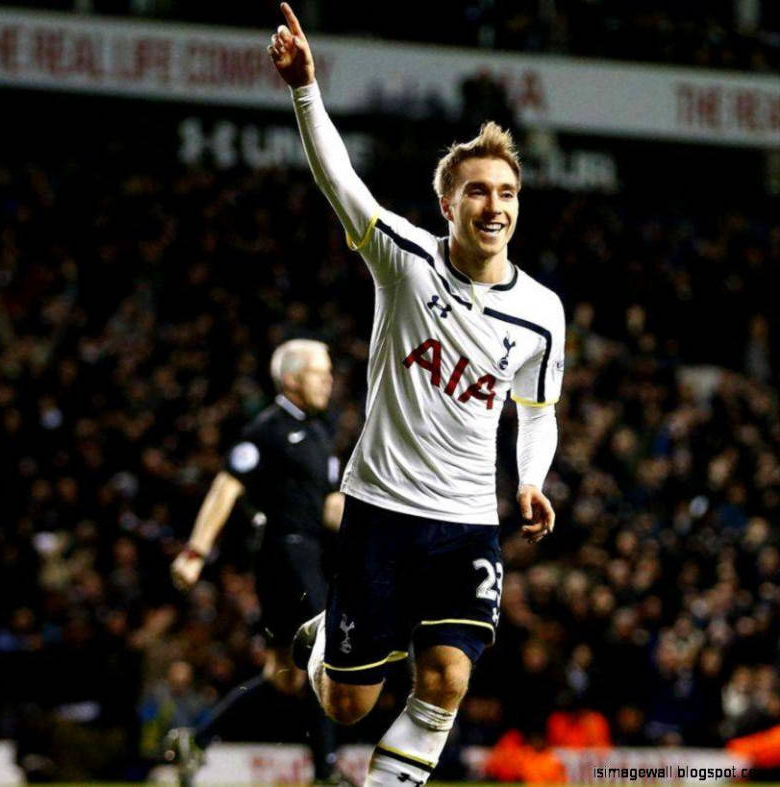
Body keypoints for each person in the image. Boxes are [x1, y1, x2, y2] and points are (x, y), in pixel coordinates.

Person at [267, 4, 565, 785]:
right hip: (382, 509)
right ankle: (323, 637)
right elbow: (342, 182)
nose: (493, 205)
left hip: (467, 521)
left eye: (506, 192)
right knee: (347, 705)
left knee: (447, 680)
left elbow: (537, 410)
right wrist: (306, 91)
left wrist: (530, 477)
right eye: (476, 191)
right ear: (448, 203)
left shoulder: (541, 312)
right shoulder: (405, 262)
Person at [166, 339, 343, 783]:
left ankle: (197, 740)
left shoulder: (321, 434)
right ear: (291, 379)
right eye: (319, 371)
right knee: (327, 654)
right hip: (285, 552)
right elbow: (227, 487)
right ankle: (327, 774)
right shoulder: (268, 430)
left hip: (306, 552)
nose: (329, 379)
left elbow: (330, 508)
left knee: (284, 676)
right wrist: (195, 552)